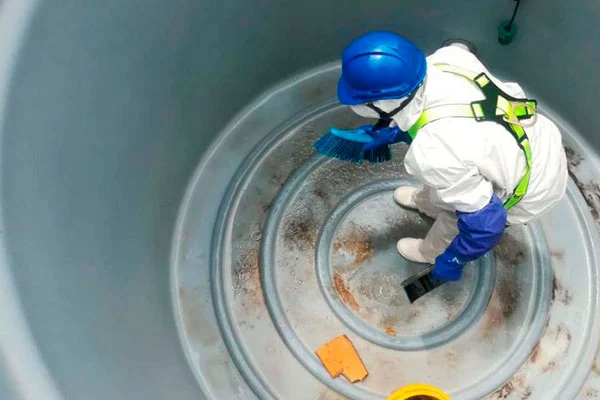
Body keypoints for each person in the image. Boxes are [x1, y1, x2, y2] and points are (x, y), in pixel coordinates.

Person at [336, 31, 567, 282]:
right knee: (446, 180)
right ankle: (426, 204)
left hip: (533, 186)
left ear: (381, 104)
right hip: (532, 136)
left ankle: (430, 252)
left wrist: (454, 259)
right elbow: (444, 112)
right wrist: (393, 132)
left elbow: (486, 224)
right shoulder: (448, 58)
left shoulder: (435, 152)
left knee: (454, 218)